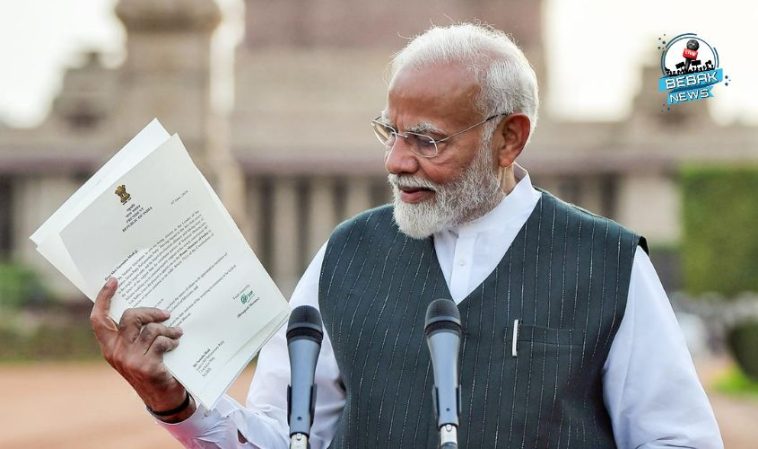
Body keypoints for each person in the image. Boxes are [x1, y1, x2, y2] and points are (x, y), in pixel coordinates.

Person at [90, 23, 723, 449]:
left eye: (426, 140)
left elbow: (679, 439)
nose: (396, 161)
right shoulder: (346, 257)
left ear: (510, 138)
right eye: (390, 133)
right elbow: (283, 436)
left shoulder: (607, 263)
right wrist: (172, 399)